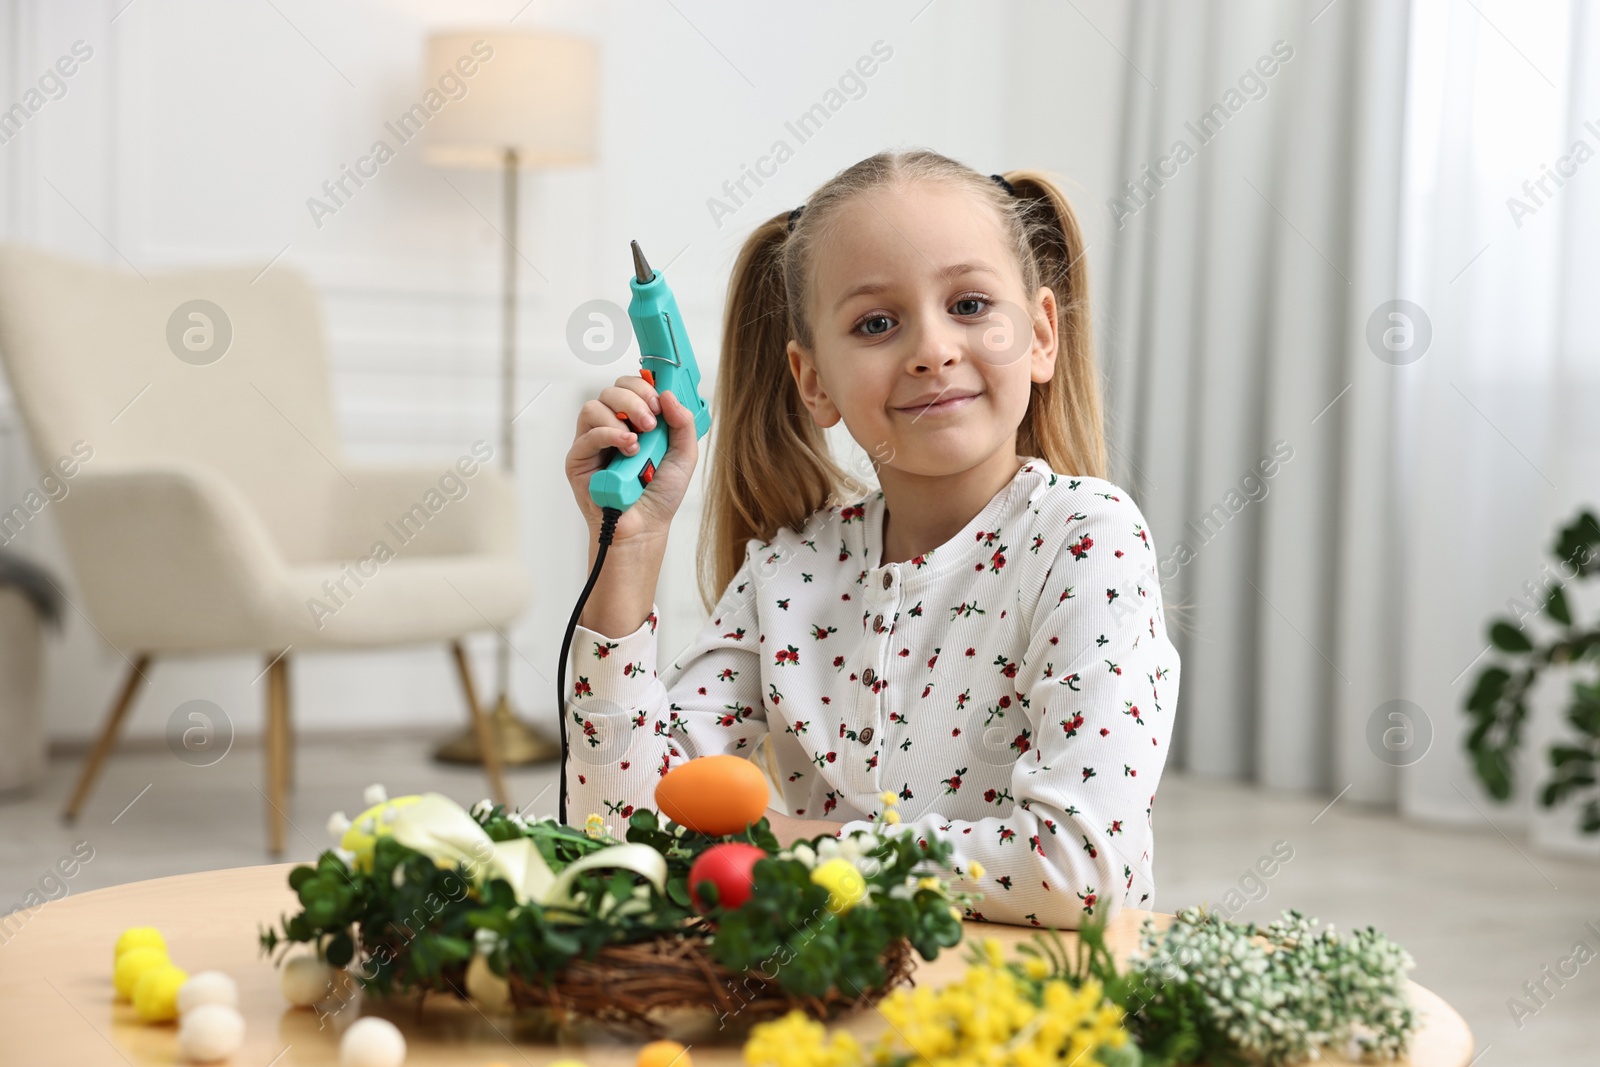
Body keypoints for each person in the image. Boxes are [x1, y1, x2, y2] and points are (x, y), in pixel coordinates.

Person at [561, 148, 1181, 927]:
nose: (932, 348)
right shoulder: (785, 573)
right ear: (813, 380)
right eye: (876, 323)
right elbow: (618, 831)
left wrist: (798, 846)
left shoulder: (1086, 538)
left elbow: (1084, 869)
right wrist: (627, 553)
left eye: (970, 305)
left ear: (1042, 335)